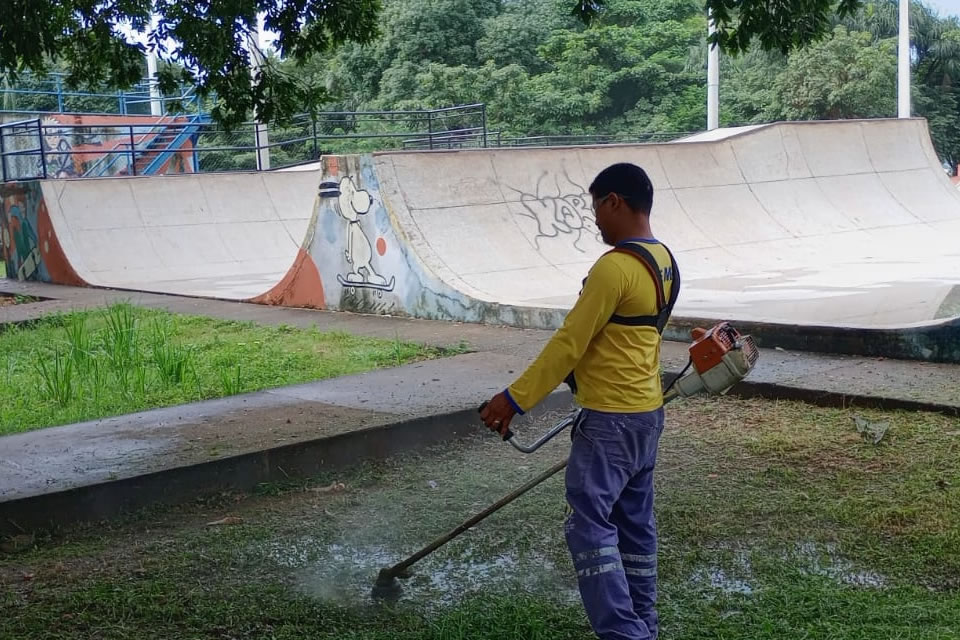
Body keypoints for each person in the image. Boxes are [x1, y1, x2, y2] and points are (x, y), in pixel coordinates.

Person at [480, 162, 679, 640]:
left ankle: (623, 635)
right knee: (634, 528)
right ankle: (643, 626)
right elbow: (618, 341)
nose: (594, 220)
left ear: (615, 201)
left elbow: (569, 342)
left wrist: (513, 399)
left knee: (588, 528)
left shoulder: (613, 268)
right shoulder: (665, 261)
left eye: (596, 207)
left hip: (609, 422)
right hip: (646, 417)